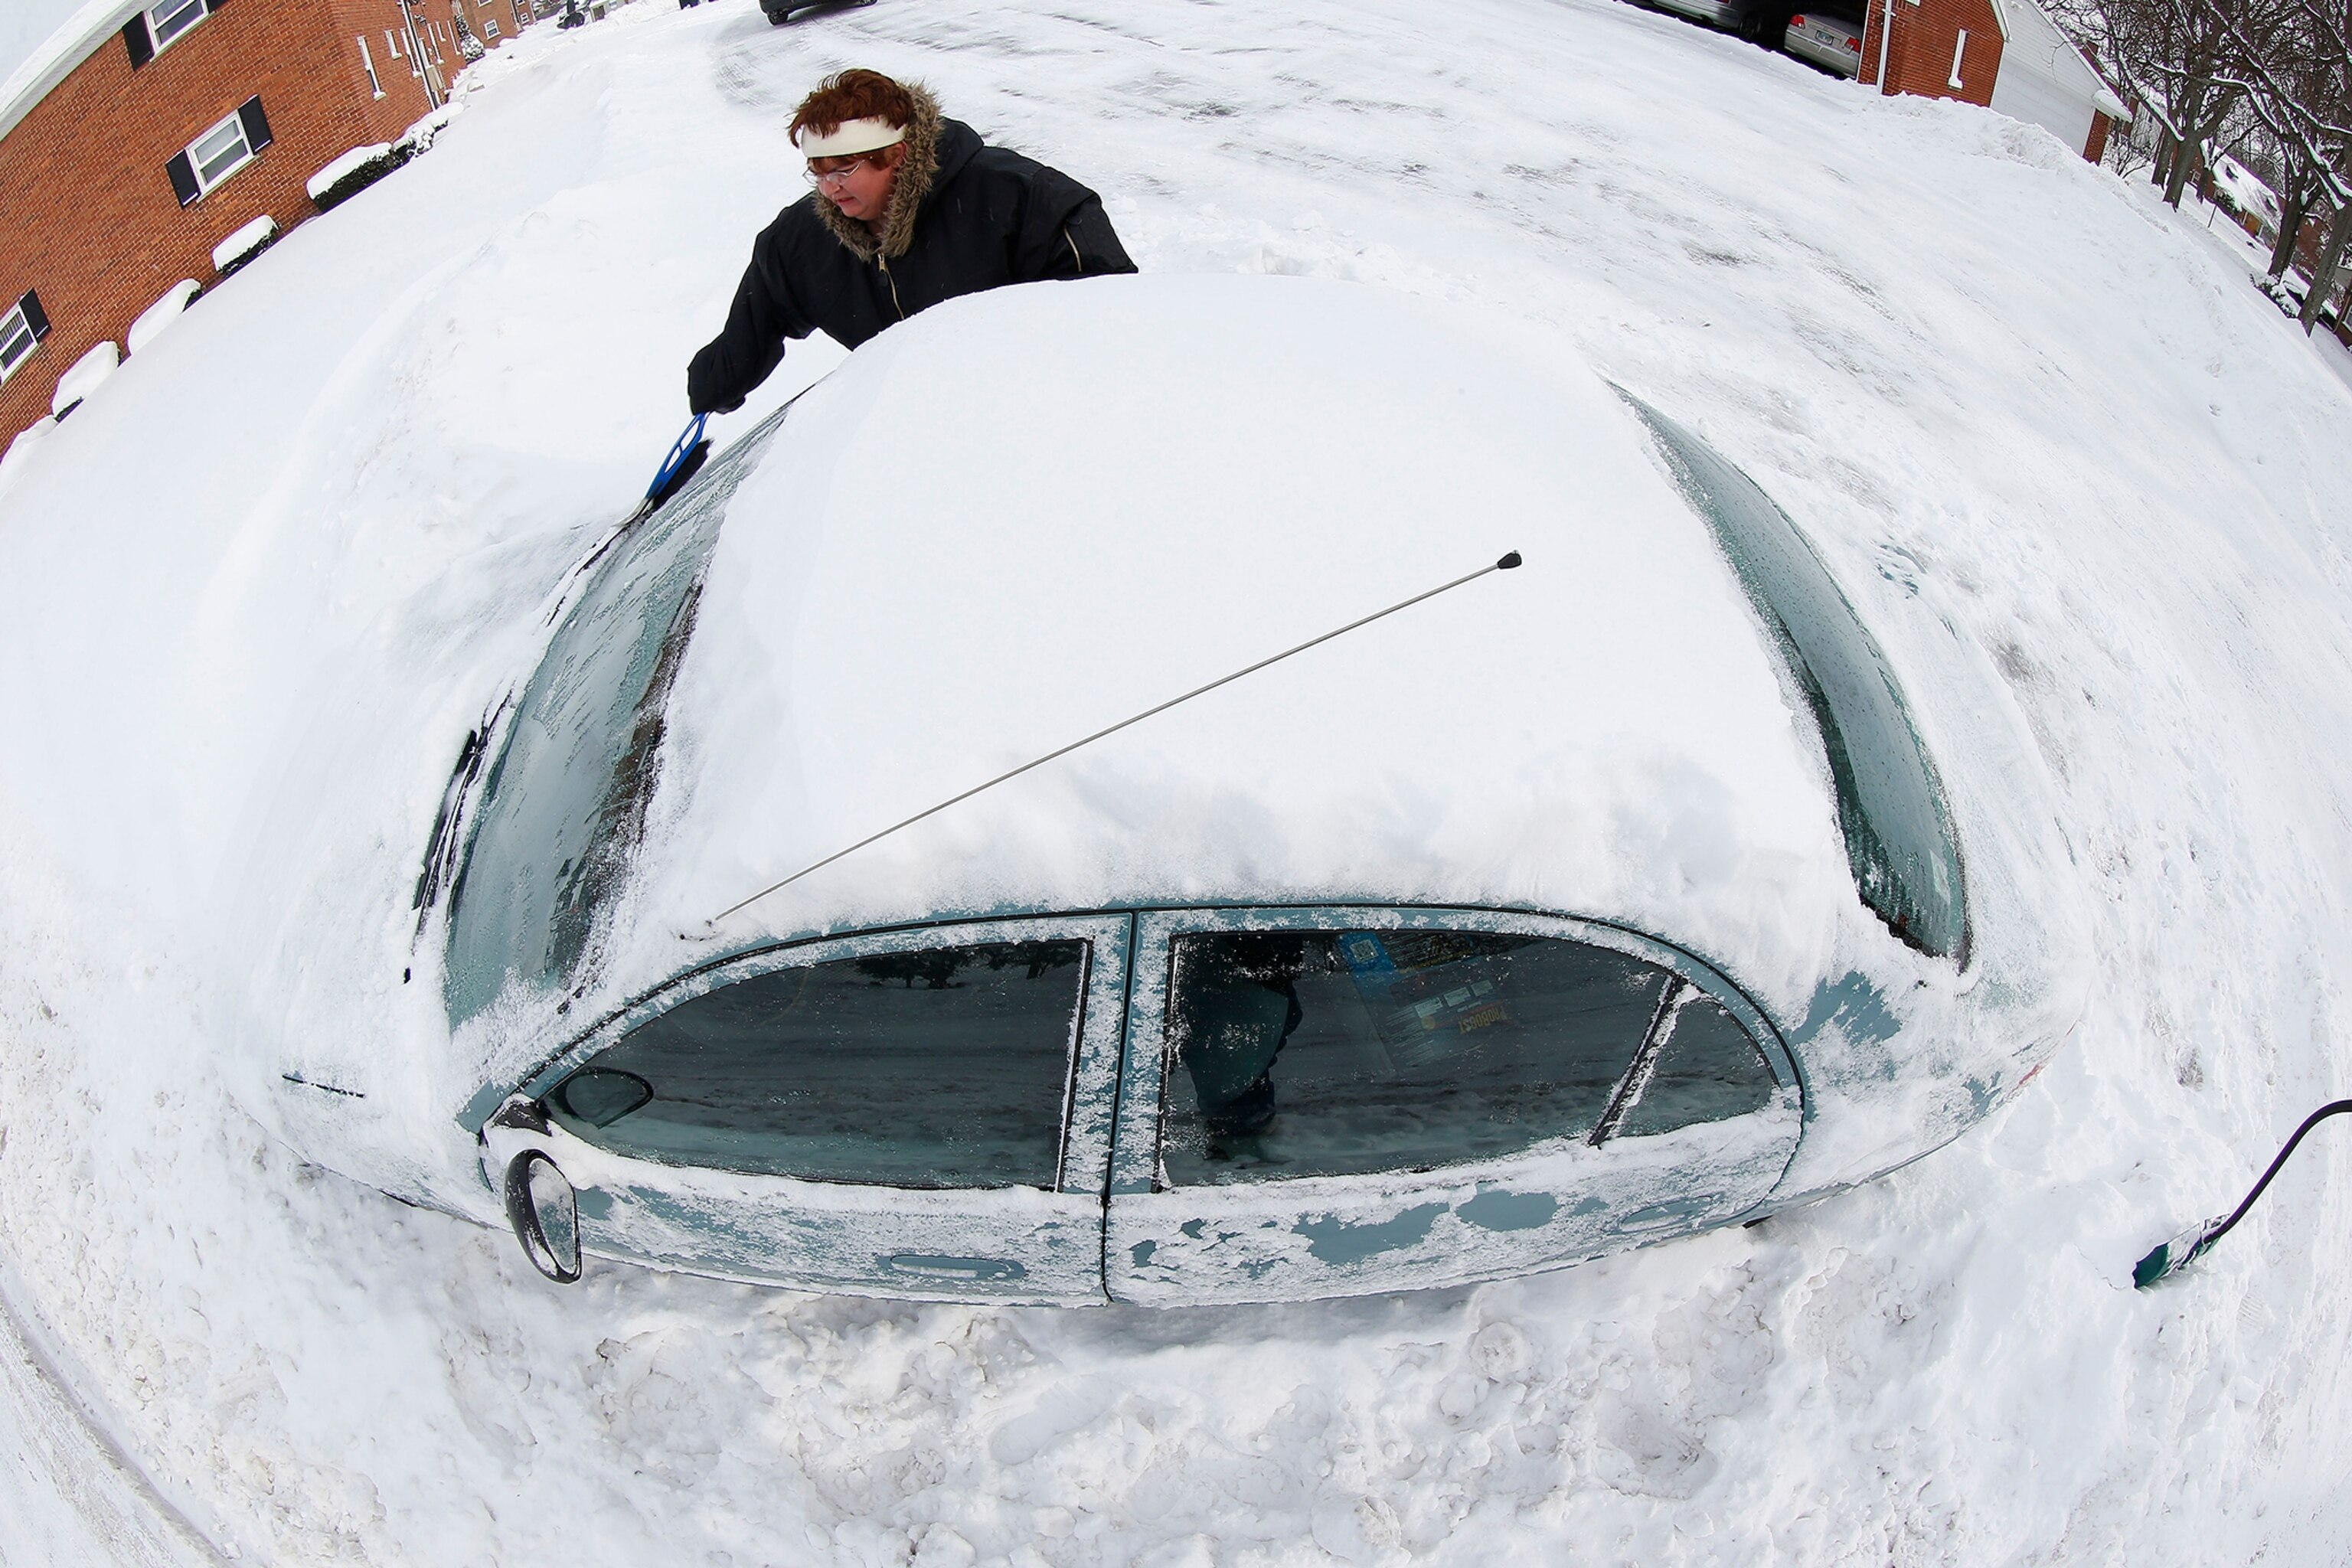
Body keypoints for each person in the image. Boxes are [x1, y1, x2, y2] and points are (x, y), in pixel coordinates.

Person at [685, 70, 1137, 416]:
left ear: (896, 154)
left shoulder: (1020, 198)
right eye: (818, 172)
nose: (829, 188)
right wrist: (713, 386)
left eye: (843, 170)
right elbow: (756, 323)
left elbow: (1110, 318)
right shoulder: (800, 243)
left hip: (1029, 415)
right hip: (904, 431)